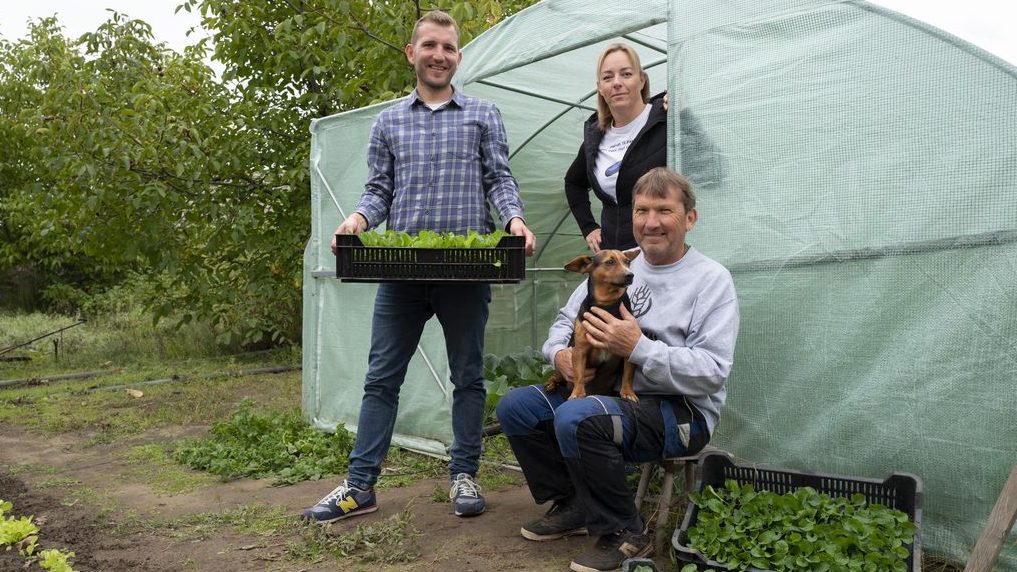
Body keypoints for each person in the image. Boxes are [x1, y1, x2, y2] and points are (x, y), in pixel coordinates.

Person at [301, 10, 536, 524]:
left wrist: (515, 220)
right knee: (381, 378)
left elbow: (499, 179)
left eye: (449, 48)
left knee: (468, 377)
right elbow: (379, 189)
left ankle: (464, 474)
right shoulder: (388, 121)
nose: (439, 55)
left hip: (466, 273)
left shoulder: (483, 115)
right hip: (402, 271)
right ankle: (360, 485)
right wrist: (358, 219)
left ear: (459, 57)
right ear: (412, 53)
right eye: (429, 45)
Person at [496, 167, 738, 572]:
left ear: (690, 219)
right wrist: (559, 355)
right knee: (517, 408)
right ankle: (574, 502)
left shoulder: (711, 280)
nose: (652, 222)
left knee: (577, 415)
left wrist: (639, 348)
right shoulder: (615, 263)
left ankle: (626, 531)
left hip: (678, 410)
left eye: (665, 210)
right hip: (607, 394)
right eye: (642, 210)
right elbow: (562, 325)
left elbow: (712, 371)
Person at [565, 43, 667, 253]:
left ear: (641, 80)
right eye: (608, 77)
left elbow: (710, 171)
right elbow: (573, 183)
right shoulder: (596, 138)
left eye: (626, 74)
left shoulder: (667, 119)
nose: (617, 83)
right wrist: (589, 227)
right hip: (618, 260)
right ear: (600, 88)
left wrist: (687, 111)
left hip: (665, 255)